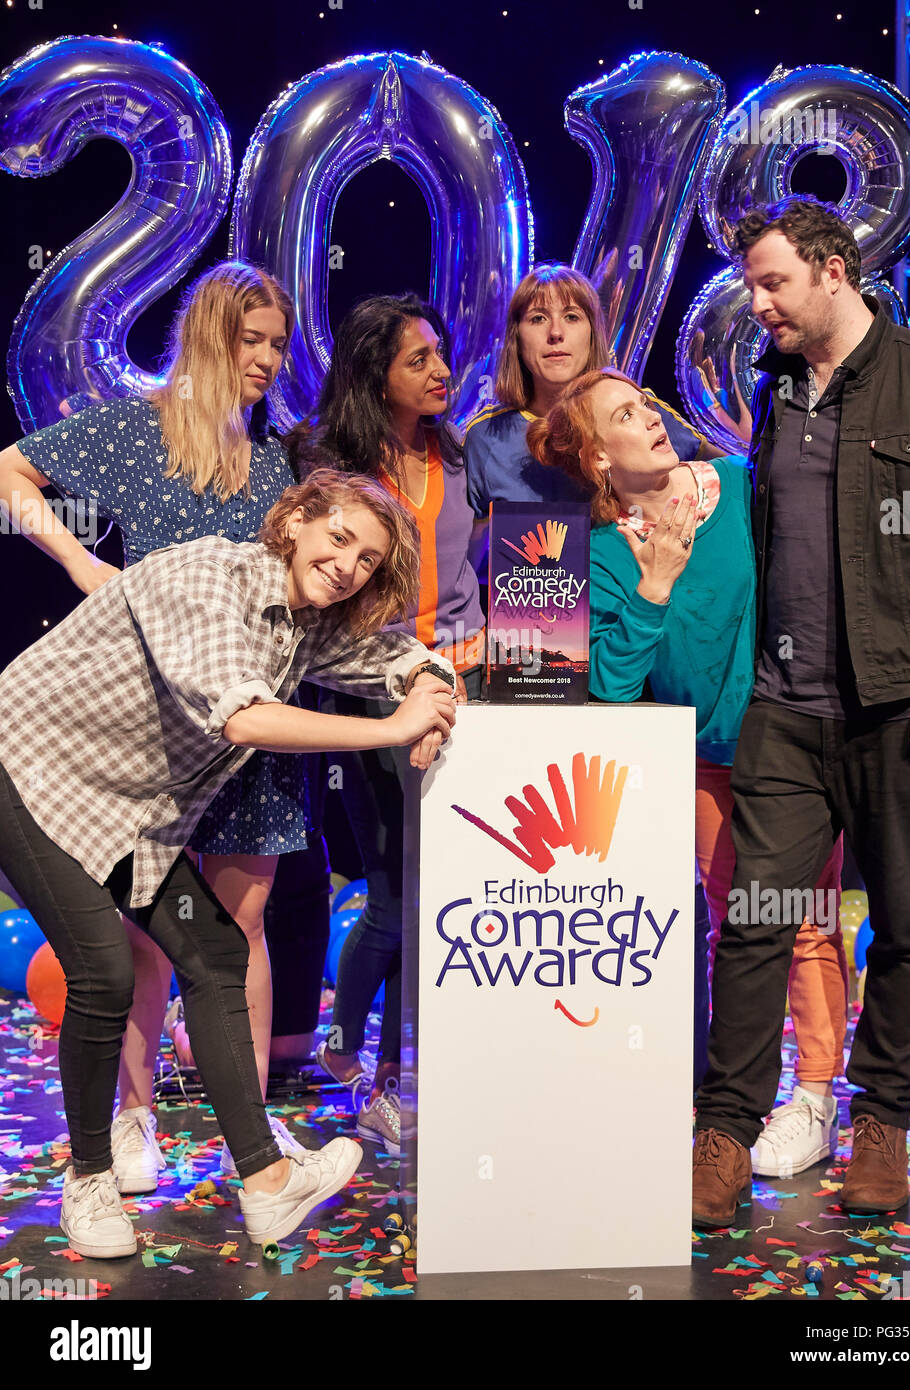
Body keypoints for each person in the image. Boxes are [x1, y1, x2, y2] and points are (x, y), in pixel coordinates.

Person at [0, 468, 457, 1255]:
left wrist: (427, 683)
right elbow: (243, 717)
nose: (349, 566)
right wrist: (390, 731)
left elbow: (387, 655)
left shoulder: (306, 616)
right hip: (32, 769)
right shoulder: (208, 577)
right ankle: (89, 1181)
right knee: (104, 972)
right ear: (296, 522)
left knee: (214, 953)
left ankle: (267, 1184)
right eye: (339, 539)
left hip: (128, 810)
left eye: (368, 560)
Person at [0, 262, 325, 1193]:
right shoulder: (135, 432)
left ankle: (248, 1136)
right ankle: (136, 1124)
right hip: (143, 737)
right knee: (142, 936)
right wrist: (74, 561)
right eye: (249, 340)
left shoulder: (276, 462)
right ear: (209, 339)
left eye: (275, 343)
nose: (265, 359)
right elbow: (9, 471)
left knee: (241, 926)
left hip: (244, 729)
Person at [691, 195, 910, 1227]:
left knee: (903, 924)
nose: (757, 302)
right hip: (786, 712)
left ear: (833, 272)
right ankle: (723, 1134)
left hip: (905, 712)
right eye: (752, 285)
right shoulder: (776, 394)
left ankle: (882, 1129)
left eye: (773, 282)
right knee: (756, 924)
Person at [527, 367, 848, 1175]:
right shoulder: (594, 550)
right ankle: (727, 1099)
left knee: (803, 920)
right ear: (599, 458)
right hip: (702, 764)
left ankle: (813, 1098)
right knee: (729, 928)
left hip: (797, 747)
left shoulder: (742, 485)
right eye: (625, 418)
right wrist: (655, 584)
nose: (650, 421)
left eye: (646, 405)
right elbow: (610, 683)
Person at [289, 293, 483, 1155]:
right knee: (399, 891)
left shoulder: (463, 449)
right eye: (419, 360)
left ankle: (379, 1060)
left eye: (441, 355)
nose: (441, 370)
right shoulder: (327, 463)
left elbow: (505, 557)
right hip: (370, 693)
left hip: (465, 686)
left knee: (435, 892)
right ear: (377, 373)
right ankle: (385, 1074)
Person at [464, 263, 723, 576]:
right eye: (537, 318)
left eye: (572, 317)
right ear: (516, 337)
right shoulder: (485, 436)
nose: (555, 333)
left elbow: (726, 477)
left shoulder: (640, 408)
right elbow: (463, 560)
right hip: (531, 617)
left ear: (592, 333)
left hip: (639, 608)